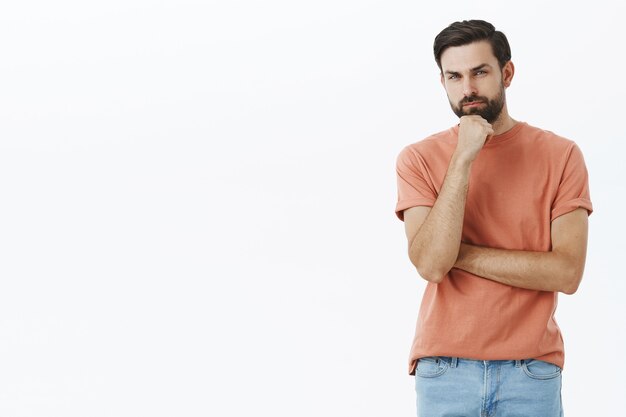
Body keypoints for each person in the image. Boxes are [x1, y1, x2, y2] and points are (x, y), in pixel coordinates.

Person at [394, 20, 592, 417]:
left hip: (531, 371)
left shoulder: (561, 155)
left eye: (479, 72)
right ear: (443, 82)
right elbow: (432, 265)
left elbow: (566, 273)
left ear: (507, 73)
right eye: (454, 76)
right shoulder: (417, 159)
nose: (467, 88)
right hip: (445, 370)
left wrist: (458, 254)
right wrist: (464, 156)